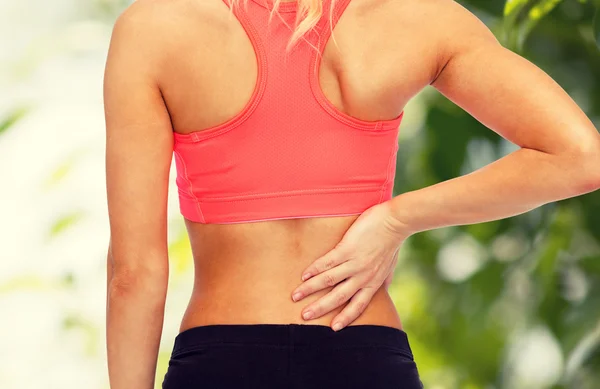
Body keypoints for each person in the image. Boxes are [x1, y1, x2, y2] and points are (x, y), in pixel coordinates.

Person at [103, 0, 600, 387]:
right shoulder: (413, 17)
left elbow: (135, 273)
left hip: (222, 362)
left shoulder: (154, 28)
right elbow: (581, 156)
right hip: (364, 357)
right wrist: (396, 218)